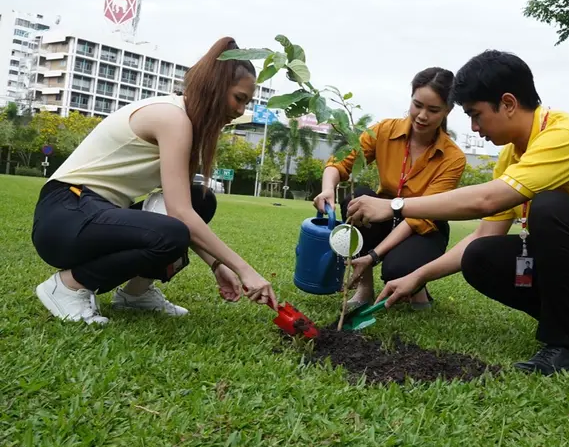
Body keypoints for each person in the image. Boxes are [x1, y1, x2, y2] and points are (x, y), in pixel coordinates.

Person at [346, 50, 569, 375]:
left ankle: (564, 346)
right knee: (480, 255)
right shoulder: (512, 157)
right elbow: (485, 232)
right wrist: (416, 278)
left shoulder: (568, 135)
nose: (473, 128)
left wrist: (394, 205)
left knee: (549, 205)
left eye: (477, 115)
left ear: (509, 103)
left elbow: (487, 199)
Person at [31, 37, 278, 325]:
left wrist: (217, 265)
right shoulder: (171, 117)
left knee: (201, 200)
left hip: (96, 213)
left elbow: (182, 208)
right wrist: (244, 269)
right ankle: (68, 285)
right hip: (66, 214)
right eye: (239, 98)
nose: (240, 110)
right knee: (173, 232)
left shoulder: (187, 127)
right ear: (215, 88)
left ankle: (135, 295)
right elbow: (179, 218)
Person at [313, 67, 466, 309]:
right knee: (359, 198)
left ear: (448, 110)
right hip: (382, 217)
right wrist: (327, 188)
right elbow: (341, 163)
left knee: (397, 268)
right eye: (417, 105)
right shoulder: (384, 130)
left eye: (433, 110)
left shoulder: (452, 157)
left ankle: (416, 283)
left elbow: (420, 218)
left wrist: (374, 256)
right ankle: (364, 289)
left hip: (423, 226)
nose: (422, 115)